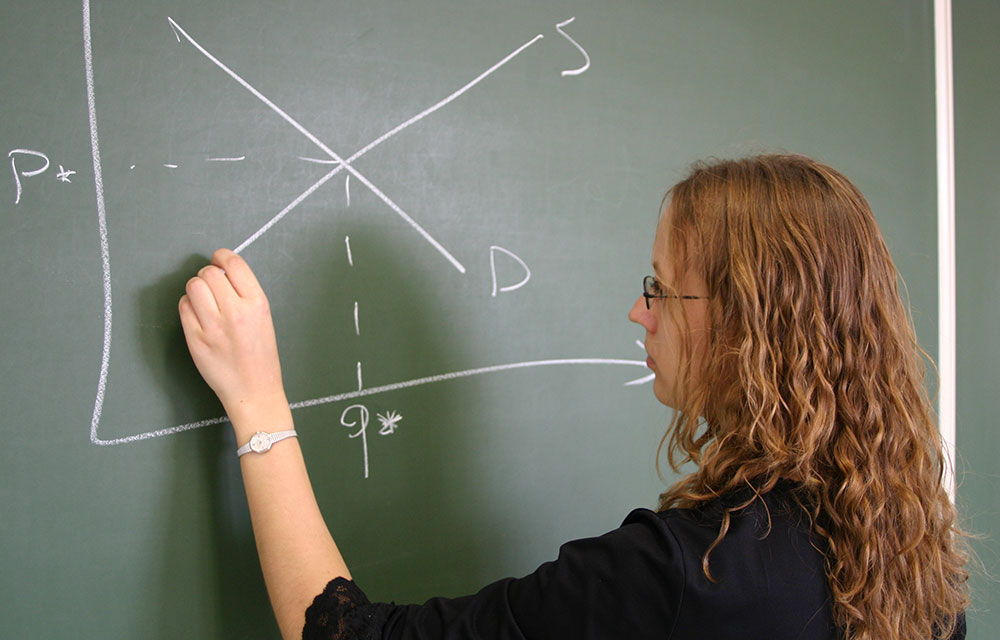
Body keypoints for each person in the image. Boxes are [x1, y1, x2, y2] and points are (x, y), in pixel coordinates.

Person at [178, 154, 969, 640]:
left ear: (743, 329)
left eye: (660, 290)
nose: (639, 312)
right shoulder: (904, 553)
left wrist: (258, 404)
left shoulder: (682, 578)